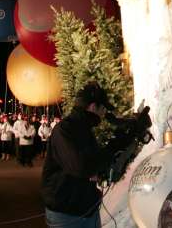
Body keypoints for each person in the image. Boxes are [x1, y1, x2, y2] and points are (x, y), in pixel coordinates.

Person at [42, 82, 151, 227]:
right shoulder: (65, 130)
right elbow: (83, 167)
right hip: (67, 214)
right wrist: (113, 147)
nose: (104, 114)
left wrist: (126, 138)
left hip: (86, 208)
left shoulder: (83, 129)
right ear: (93, 107)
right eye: (103, 109)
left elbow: (96, 160)